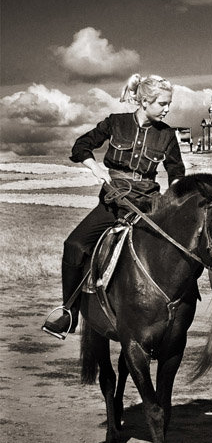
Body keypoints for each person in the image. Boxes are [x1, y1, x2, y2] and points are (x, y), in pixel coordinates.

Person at [42, 73, 185, 338]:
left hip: (148, 204)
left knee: (176, 248)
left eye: (169, 104)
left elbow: (176, 170)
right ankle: (69, 312)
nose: (167, 109)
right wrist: (95, 167)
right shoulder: (115, 123)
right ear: (144, 101)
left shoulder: (167, 136)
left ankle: (180, 306)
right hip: (113, 201)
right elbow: (80, 146)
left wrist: (176, 191)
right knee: (73, 245)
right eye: (162, 104)